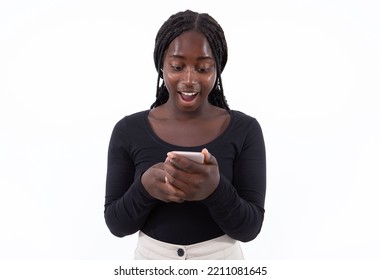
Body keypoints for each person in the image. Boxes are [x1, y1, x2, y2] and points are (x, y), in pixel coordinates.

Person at [104, 9, 266, 260]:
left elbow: (250, 229)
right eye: (177, 66)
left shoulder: (245, 130)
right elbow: (117, 225)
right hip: (151, 262)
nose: (189, 79)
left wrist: (215, 189)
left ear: (217, 69)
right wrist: (145, 188)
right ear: (161, 65)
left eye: (203, 68)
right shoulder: (128, 131)